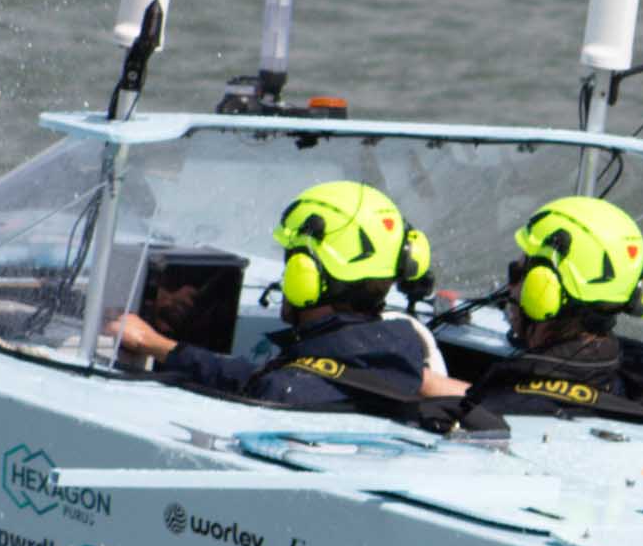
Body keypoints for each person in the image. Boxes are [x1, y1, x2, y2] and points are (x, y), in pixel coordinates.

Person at [110, 178, 468, 422]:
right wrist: (157, 343)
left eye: (291, 260)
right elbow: (250, 374)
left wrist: (146, 341)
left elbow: (252, 382)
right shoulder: (405, 354)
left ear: (305, 274)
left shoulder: (285, 391)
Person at [467, 193, 643, 435]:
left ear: (545, 288)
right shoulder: (617, 374)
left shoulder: (505, 403)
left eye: (517, 273)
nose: (509, 288)